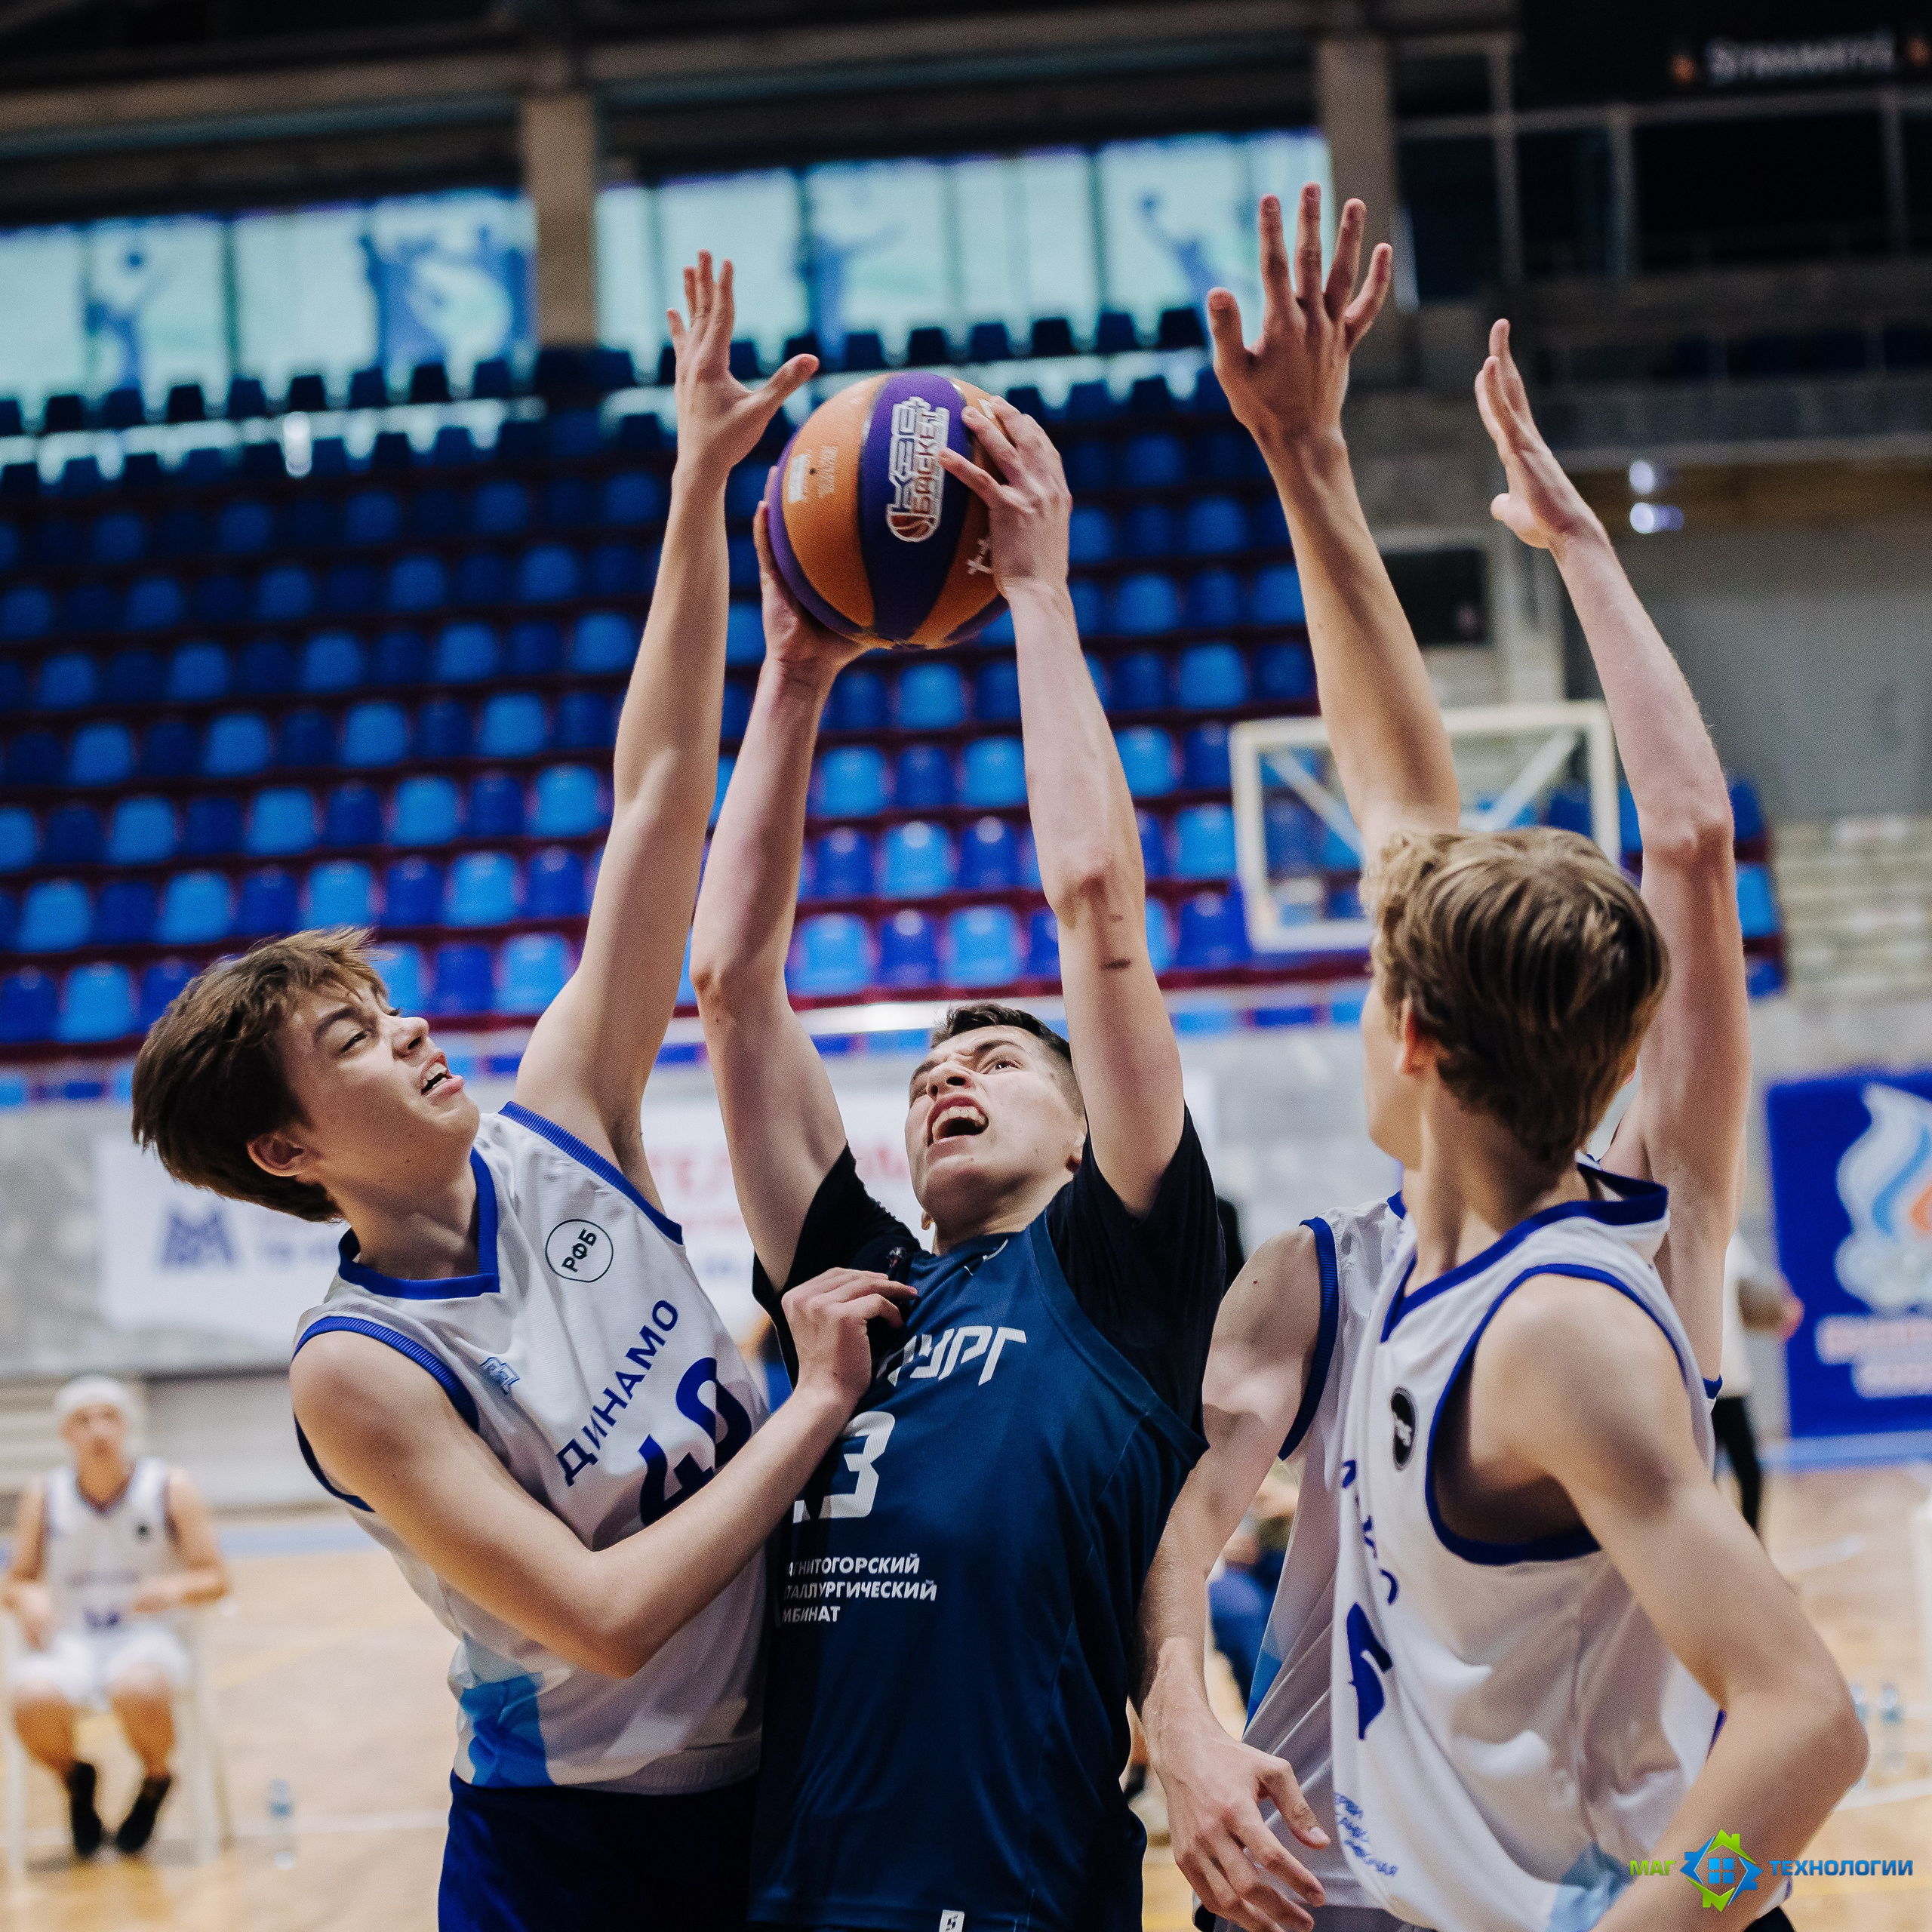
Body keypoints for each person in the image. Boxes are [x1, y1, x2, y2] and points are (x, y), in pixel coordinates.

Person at [128, 257, 912, 1932]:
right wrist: (811, 1398)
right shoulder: (362, 1370)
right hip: (579, 1856)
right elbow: (606, 1614)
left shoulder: (561, 1109)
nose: (412, 1036)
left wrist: (698, 486)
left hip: (781, 1780)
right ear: (287, 1146)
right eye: (354, 1043)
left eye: (390, 1005)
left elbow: (652, 797)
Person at [1137, 184, 1801, 1932]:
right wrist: (1305, 460)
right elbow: (1415, 799)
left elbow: (1801, 1729)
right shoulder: (1365, 1261)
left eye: (1371, 968)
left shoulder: (1592, 1295)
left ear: (1414, 1040)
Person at [688, 392, 1226, 1929]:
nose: (944, 1080)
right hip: (794, 1890)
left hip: (1010, 1894)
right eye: (924, 1076)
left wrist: (1039, 599)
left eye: (992, 1061)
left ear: (1084, 1124)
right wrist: (792, 675)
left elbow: (1094, 908)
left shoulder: (1118, 1268)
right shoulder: (855, 1279)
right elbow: (730, 988)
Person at [3, 1374, 227, 1860]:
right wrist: (28, 1597)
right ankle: (75, 1778)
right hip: (74, 1639)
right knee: (30, 1701)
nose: (98, 1430)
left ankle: (155, 1777)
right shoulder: (44, 1494)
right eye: (84, 1421)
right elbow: (16, 1579)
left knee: (138, 1689)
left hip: (148, 1636)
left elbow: (215, 1577)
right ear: (66, 1433)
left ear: (125, 1426)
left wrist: (172, 1587)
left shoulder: (169, 1485)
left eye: (108, 1417)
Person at [1715, 1232, 1803, 1535]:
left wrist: (1781, 1307)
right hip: (1690, 1383)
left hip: (1732, 1378)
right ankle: (1715, 1560)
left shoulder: (1731, 1237)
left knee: (1750, 1471)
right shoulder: (1665, 1232)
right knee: (1703, 1481)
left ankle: (1754, 1549)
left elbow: (1754, 1292)